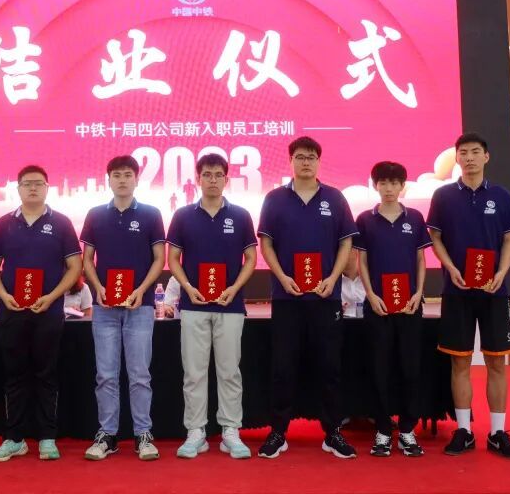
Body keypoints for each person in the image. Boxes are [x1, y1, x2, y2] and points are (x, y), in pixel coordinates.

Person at [256, 136, 359, 459]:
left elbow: (345, 243)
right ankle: (278, 432)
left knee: (329, 366)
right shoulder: (275, 199)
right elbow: (266, 244)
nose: (306, 162)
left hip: (326, 298)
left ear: (318, 161)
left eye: (311, 157)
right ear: (290, 161)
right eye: (300, 157)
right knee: (283, 366)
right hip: (286, 298)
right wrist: (282, 277)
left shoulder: (335, 198)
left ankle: (333, 432)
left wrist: (332, 278)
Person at [427, 132, 510, 459]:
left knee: (497, 362)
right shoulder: (442, 196)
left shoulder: (501, 196)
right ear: (457, 158)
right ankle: (464, 430)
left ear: (486, 156)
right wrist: (450, 267)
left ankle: (497, 432)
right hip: (457, 291)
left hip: (494, 292)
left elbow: (509, 240)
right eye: (463, 152)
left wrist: (501, 273)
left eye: (475, 152)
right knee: (460, 362)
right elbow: (435, 238)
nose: (469, 158)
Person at [0, 165, 83, 462]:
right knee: (14, 375)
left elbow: (74, 267)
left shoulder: (62, 223)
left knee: (46, 373)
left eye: (39, 183)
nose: (33, 188)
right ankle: (14, 438)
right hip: (12, 310)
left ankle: (47, 437)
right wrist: (4, 295)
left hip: (48, 311)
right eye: (27, 184)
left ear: (47, 188)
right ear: (18, 189)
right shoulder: (4, 224)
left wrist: (52, 296)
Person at [167, 153, 257, 459]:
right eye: (207, 174)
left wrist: (235, 288)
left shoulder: (241, 216)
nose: (213, 180)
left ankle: (230, 430)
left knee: (229, 371)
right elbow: (173, 259)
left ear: (226, 179)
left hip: (230, 305)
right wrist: (187, 287)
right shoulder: (183, 216)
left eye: (219, 175)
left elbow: (251, 258)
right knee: (194, 372)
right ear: (198, 179)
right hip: (193, 305)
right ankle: (196, 431)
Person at [81, 155, 167, 461]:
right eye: (116, 175)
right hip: (104, 307)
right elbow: (87, 259)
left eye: (127, 174)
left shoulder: (151, 214)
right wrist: (98, 287)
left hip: (140, 306)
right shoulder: (95, 215)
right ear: (108, 180)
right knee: (105, 374)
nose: (122, 179)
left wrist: (142, 290)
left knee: (140, 374)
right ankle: (107, 434)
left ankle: (143, 434)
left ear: (137, 179)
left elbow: (159, 258)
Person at [354, 161, 431, 457]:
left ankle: (408, 430)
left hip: (410, 306)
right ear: (376, 186)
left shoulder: (415, 218)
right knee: (379, 368)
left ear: (402, 186)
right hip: (378, 306)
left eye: (394, 183)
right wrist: (371, 295)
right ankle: (384, 430)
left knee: (410, 367)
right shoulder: (365, 219)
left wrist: (419, 293)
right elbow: (362, 262)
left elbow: (421, 260)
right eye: (383, 183)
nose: (388, 188)